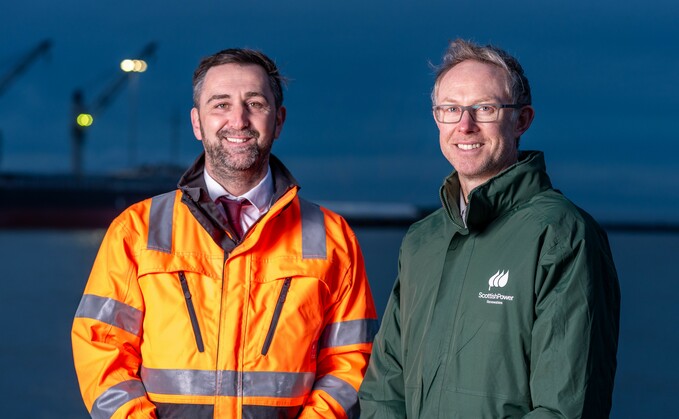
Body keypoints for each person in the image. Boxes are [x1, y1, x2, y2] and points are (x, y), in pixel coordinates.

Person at [72, 48, 378, 418]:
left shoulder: (332, 239)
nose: (238, 119)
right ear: (197, 122)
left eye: (255, 103)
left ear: (278, 121)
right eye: (220, 104)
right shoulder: (137, 230)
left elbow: (350, 364)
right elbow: (101, 348)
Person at [358, 39, 620, 417]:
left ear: (522, 120)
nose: (465, 125)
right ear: (437, 118)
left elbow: (567, 407)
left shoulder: (562, 233)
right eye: (451, 109)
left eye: (485, 108)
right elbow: (385, 387)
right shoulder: (422, 240)